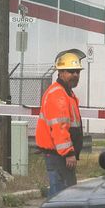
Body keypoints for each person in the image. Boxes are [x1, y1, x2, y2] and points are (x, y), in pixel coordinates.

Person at [36, 49, 85, 197]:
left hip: (60, 156)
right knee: (62, 197)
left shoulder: (66, 93)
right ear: (61, 72)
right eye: (71, 71)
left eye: (77, 72)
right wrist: (68, 153)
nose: (75, 75)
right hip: (59, 156)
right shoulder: (58, 94)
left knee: (64, 195)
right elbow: (60, 128)